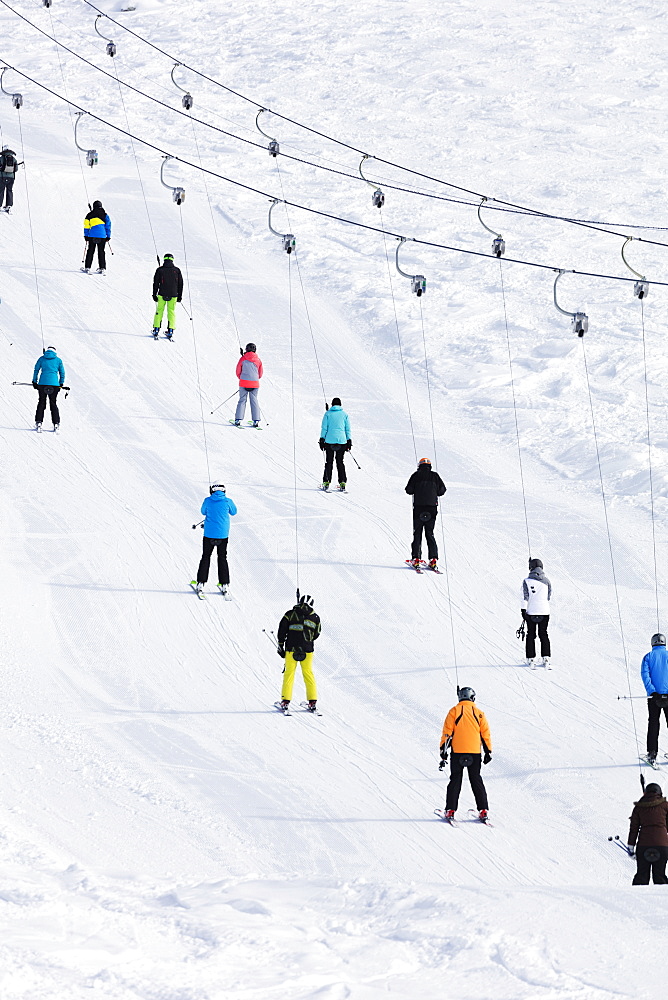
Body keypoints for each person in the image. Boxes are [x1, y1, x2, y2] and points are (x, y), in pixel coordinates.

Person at [439, 687, 492, 821]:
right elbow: (485, 734)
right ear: (472, 697)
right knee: (476, 779)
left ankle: (450, 810)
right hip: (475, 752)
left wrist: (443, 751)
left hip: (457, 752)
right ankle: (483, 810)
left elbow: (447, 733)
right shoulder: (479, 713)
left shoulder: (454, 711)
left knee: (455, 780)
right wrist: (488, 752)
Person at [277, 593, 321, 712]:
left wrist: (281, 645)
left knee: (289, 674)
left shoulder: (290, 614)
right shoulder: (315, 617)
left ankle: (285, 701)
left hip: (291, 649)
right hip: (307, 651)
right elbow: (316, 634)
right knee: (308, 673)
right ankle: (312, 702)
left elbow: (282, 630)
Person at [194, 484, 237, 596]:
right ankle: (224, 584)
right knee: (222, 557)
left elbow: (203, 511)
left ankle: (201, 583)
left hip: (209, 534)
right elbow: (234, 512)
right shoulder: (228, 501)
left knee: (206, 556)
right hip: (223, 535)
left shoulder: (208, 500)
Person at [405, 458, 446, 570]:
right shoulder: (435, 476)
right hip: (432, 509)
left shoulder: (416, 475)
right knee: (430, 533)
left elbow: (408, 490)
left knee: (417, 533)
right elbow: (442, 490)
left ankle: (416, 558)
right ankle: (433, 559)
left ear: (419, 466)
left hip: (418, 508)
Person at [627, 782, 668, 885]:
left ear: (645, 793)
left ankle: (636, 900)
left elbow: (634, 828)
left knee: (641, 876)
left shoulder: (639, 807)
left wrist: (631, 848)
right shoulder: (665, 806)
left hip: (643, 847)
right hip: (662, 847)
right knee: (660, 876)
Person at [640, 633, 668, 766]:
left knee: (654, 724)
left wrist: (653, 691)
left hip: (654, 697)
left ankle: (652, 753)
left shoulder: (648, 657)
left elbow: (645, 675)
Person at [521, 557, 551, 667]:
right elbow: (548, 596)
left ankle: (531, 658)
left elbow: (525, 597)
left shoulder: (526, 581)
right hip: (545, 611)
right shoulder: (547, 581)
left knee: (531, 635)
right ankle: (546, 658)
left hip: (531, 611)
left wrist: (523, 610)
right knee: (543, 634)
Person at [319, 397, 351, 491]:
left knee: (329, 462)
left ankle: (326, 482)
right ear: (340, 405)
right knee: (340, 462)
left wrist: (322, 439)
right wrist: (349, 440)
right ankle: (342, 482)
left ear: (332, 404)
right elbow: (347, 429)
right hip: (342, 441)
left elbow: (324, 428)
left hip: (329, 441)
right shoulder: (345, 414)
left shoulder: (327, 414)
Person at [32, 345, 65, 432]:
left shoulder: (42, 358)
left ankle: (39, 422)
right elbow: (62, 373)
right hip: (54, 385)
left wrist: (34, 382)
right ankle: (56, 423)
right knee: (53, 403)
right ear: (55, 351)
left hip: (42, 384)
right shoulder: (58, 360)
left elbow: (36, 370)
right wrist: (61, 383)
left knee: (41, 402)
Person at [152, 253, 183, 339]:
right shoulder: (177, 270)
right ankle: (170, 330)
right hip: (173, 295)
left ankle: (156, 329)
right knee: (171, 312)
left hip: (162, 294)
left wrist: (154, 294)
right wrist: (179, 296)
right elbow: (180, 284)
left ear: (164, 260)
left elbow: (156, 283)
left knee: (159, 310)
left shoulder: (160, 270)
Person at [233, 343, 263, 427]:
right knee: (254, 400)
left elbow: (238, 371)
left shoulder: (242, 359)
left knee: (242, 400)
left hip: (244, 382)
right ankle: (256, 421)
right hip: (255, 383)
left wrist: (242, 379)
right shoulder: (258, 360)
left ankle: (238, 420)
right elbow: (260, 374)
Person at [81, 200, 111, 274]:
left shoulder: (89, 215)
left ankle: (87, 267)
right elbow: (108, 226)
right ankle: (102, 268)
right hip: (102, 236)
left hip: (92, 236)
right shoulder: (105, 215)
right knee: (101, 251)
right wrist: (108, 236)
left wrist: (86, 235)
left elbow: (86, 226)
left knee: (90, 251)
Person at [0, 146, 22, 213]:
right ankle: (8, 205)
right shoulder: (14, 159)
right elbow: (16, 169)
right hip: (11, 178)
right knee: (9, 190)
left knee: (1, 191)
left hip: (2, 177)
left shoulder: (1, 158)